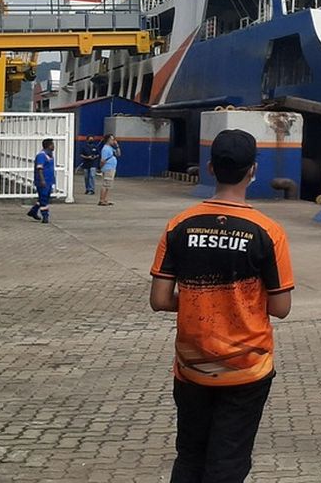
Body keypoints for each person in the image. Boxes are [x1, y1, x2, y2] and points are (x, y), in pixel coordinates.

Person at [150, 130, 293, 483]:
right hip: (246, 369)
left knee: (190, 456)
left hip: (192, 367)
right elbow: (281, 306)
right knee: (228, 463)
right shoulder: (268, 231)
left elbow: (159, 300)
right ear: (253, 171)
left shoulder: (178, 225)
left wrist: (201, 299)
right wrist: (237, 301)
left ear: (210, 168)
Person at [27, 138, 56, 224]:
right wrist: (42, 180)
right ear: (48, 146)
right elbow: (40, 168)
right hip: (43, 181)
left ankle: (33, 211)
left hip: (49, 180)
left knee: (45, 198)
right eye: (52, 145)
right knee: (43, 198)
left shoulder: (50, 155)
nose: (54, 146)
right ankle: (45, 216)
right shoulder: (41, 156)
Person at [98, 134, 120, 207]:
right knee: (105, 184)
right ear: (108, 140)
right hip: (108, 168)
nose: (113, 141)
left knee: (108, 185)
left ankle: (104, 199)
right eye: (112, 139)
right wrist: (101, 167)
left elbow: (118, 154)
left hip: (111, 168)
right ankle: (101, 200)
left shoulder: (110, 148)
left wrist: (117, 146)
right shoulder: (105, 149)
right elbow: (103, 160)